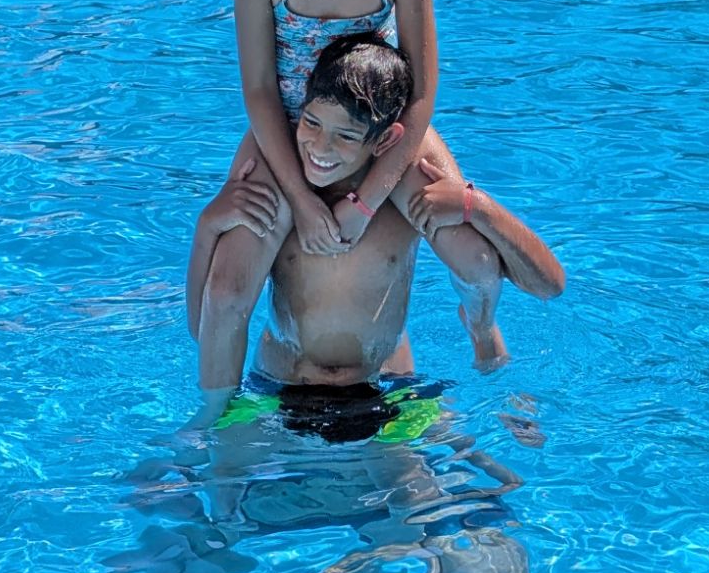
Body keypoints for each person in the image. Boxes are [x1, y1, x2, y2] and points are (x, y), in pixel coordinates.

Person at [192, 0, 508, 397]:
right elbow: (261, 90)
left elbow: (421, 95)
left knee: (475, 258)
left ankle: (485, 336)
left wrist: (366, 202)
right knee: (228, 289)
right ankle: (211, 421)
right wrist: (300, 199)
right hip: (290, 129)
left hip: (380, 128)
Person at [188, 33, 564, 423]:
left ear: (386, 142)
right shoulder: (275, 181)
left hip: (388, 388)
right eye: (311, 123)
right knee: (215, 460)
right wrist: (207, 225)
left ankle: (492, 362)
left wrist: (477, 206)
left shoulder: (409, 187)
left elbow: (548, 285)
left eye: (346, 136)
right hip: (278, 387)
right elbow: (207, 325)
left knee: (482, 463)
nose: (321, 148)